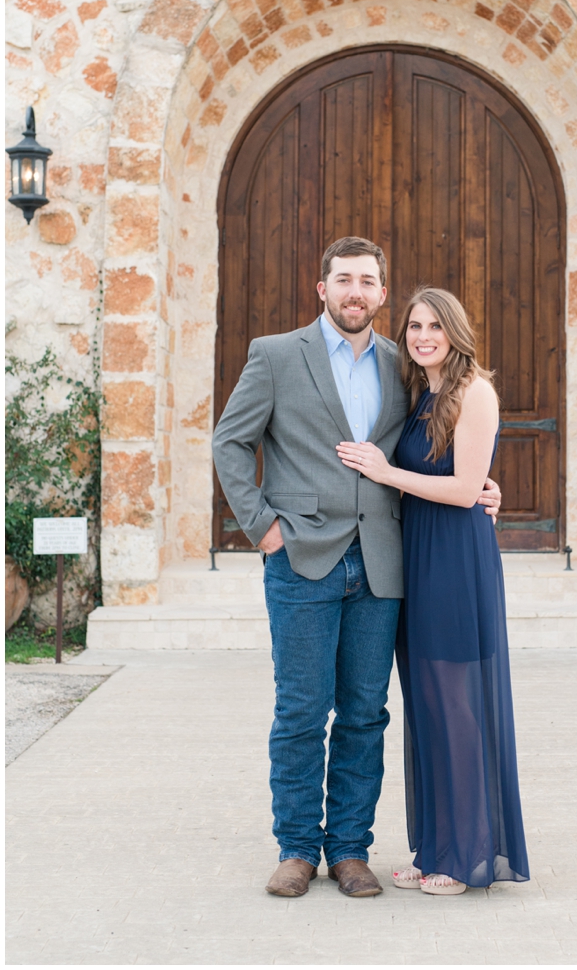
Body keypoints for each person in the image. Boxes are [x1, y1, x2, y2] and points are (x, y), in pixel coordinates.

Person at [212, 238, 501, 899]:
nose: (355, 292)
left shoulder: (407, 365)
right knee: (301, 710)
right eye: (343, 279)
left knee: (366, 712)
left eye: (367, 281)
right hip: (302, 559)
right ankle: (295, 847)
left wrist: (484, 486)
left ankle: (348, 848)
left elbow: (443, 444)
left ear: (381, 294)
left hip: (382, 565)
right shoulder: (277, 354)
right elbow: (231, 440)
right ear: (322, 287)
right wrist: (263, 526)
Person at [336, 287, 529, 895]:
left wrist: (385, 471)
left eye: (434, 326)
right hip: (416, 556)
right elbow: (462, 475)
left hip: (454, 563)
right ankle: (434, 847)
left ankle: (467, 854)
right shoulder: (423, 392)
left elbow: (467, 489)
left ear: (456, 331)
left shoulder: (475, 390)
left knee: (456, 704)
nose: (422, 336)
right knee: (424, 707)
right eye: (414, 326)